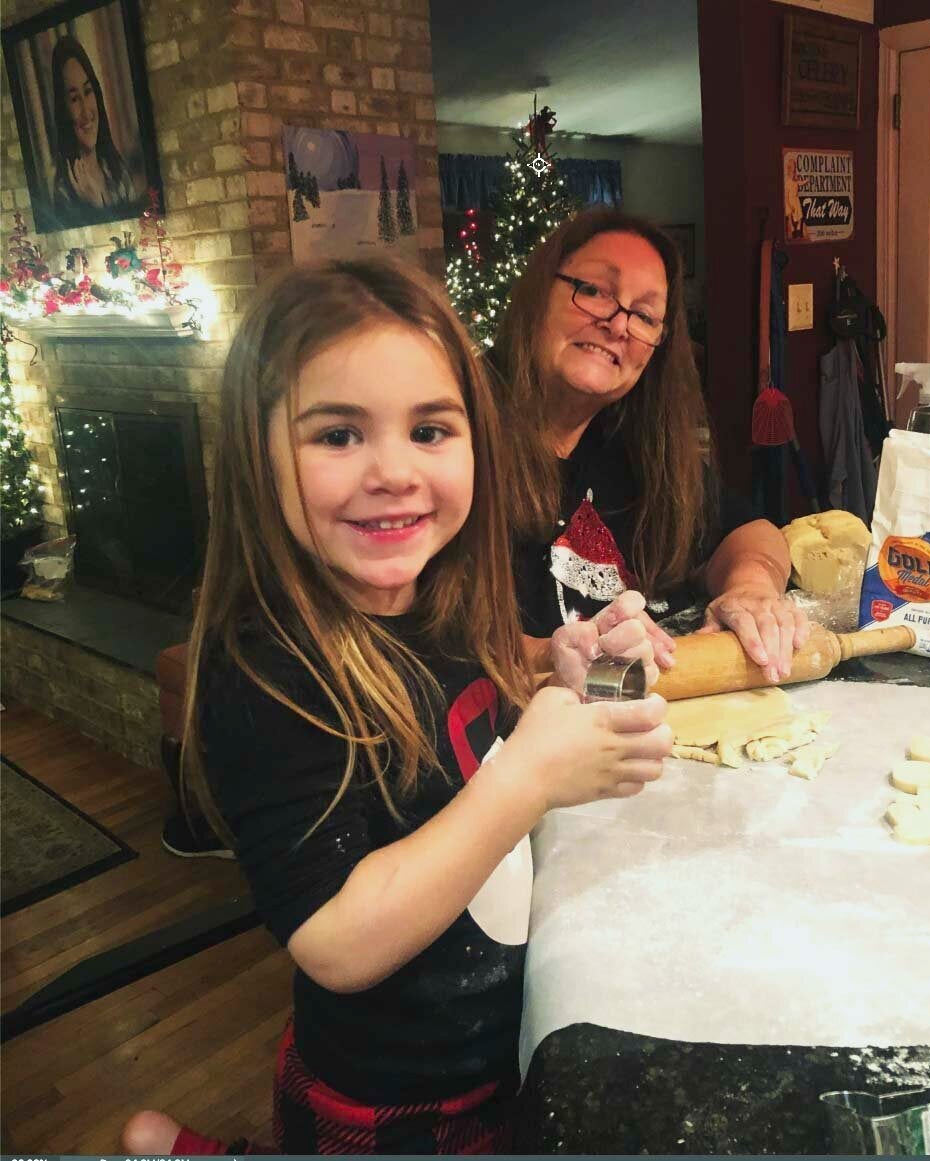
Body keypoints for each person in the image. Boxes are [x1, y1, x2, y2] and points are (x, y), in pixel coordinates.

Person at [121, 257, 671, 1155]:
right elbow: (336, 938)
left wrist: (555, 663)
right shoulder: (263, 673)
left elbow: (463, 708)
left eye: (429, 429)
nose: (393, 471)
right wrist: (529, 780)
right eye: (338, 435)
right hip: (396, 1104)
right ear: (257, 455)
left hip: (496, 1045)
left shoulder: (434, 595)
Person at [490, 207, 809, 683]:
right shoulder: (450, 438)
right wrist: (548, 656)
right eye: (594, 291)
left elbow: (748, 531)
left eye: (643, 315)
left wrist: (751, 586)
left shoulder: (632, 447)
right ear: (538, 293)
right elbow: (412, 634)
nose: (618, 325)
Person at [50, 36, 133, 223]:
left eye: (87, 92)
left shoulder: (117, 170)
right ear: (63, 110)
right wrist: (92, 204)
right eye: (73, 99)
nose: (86, 111)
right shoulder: (64, 192)